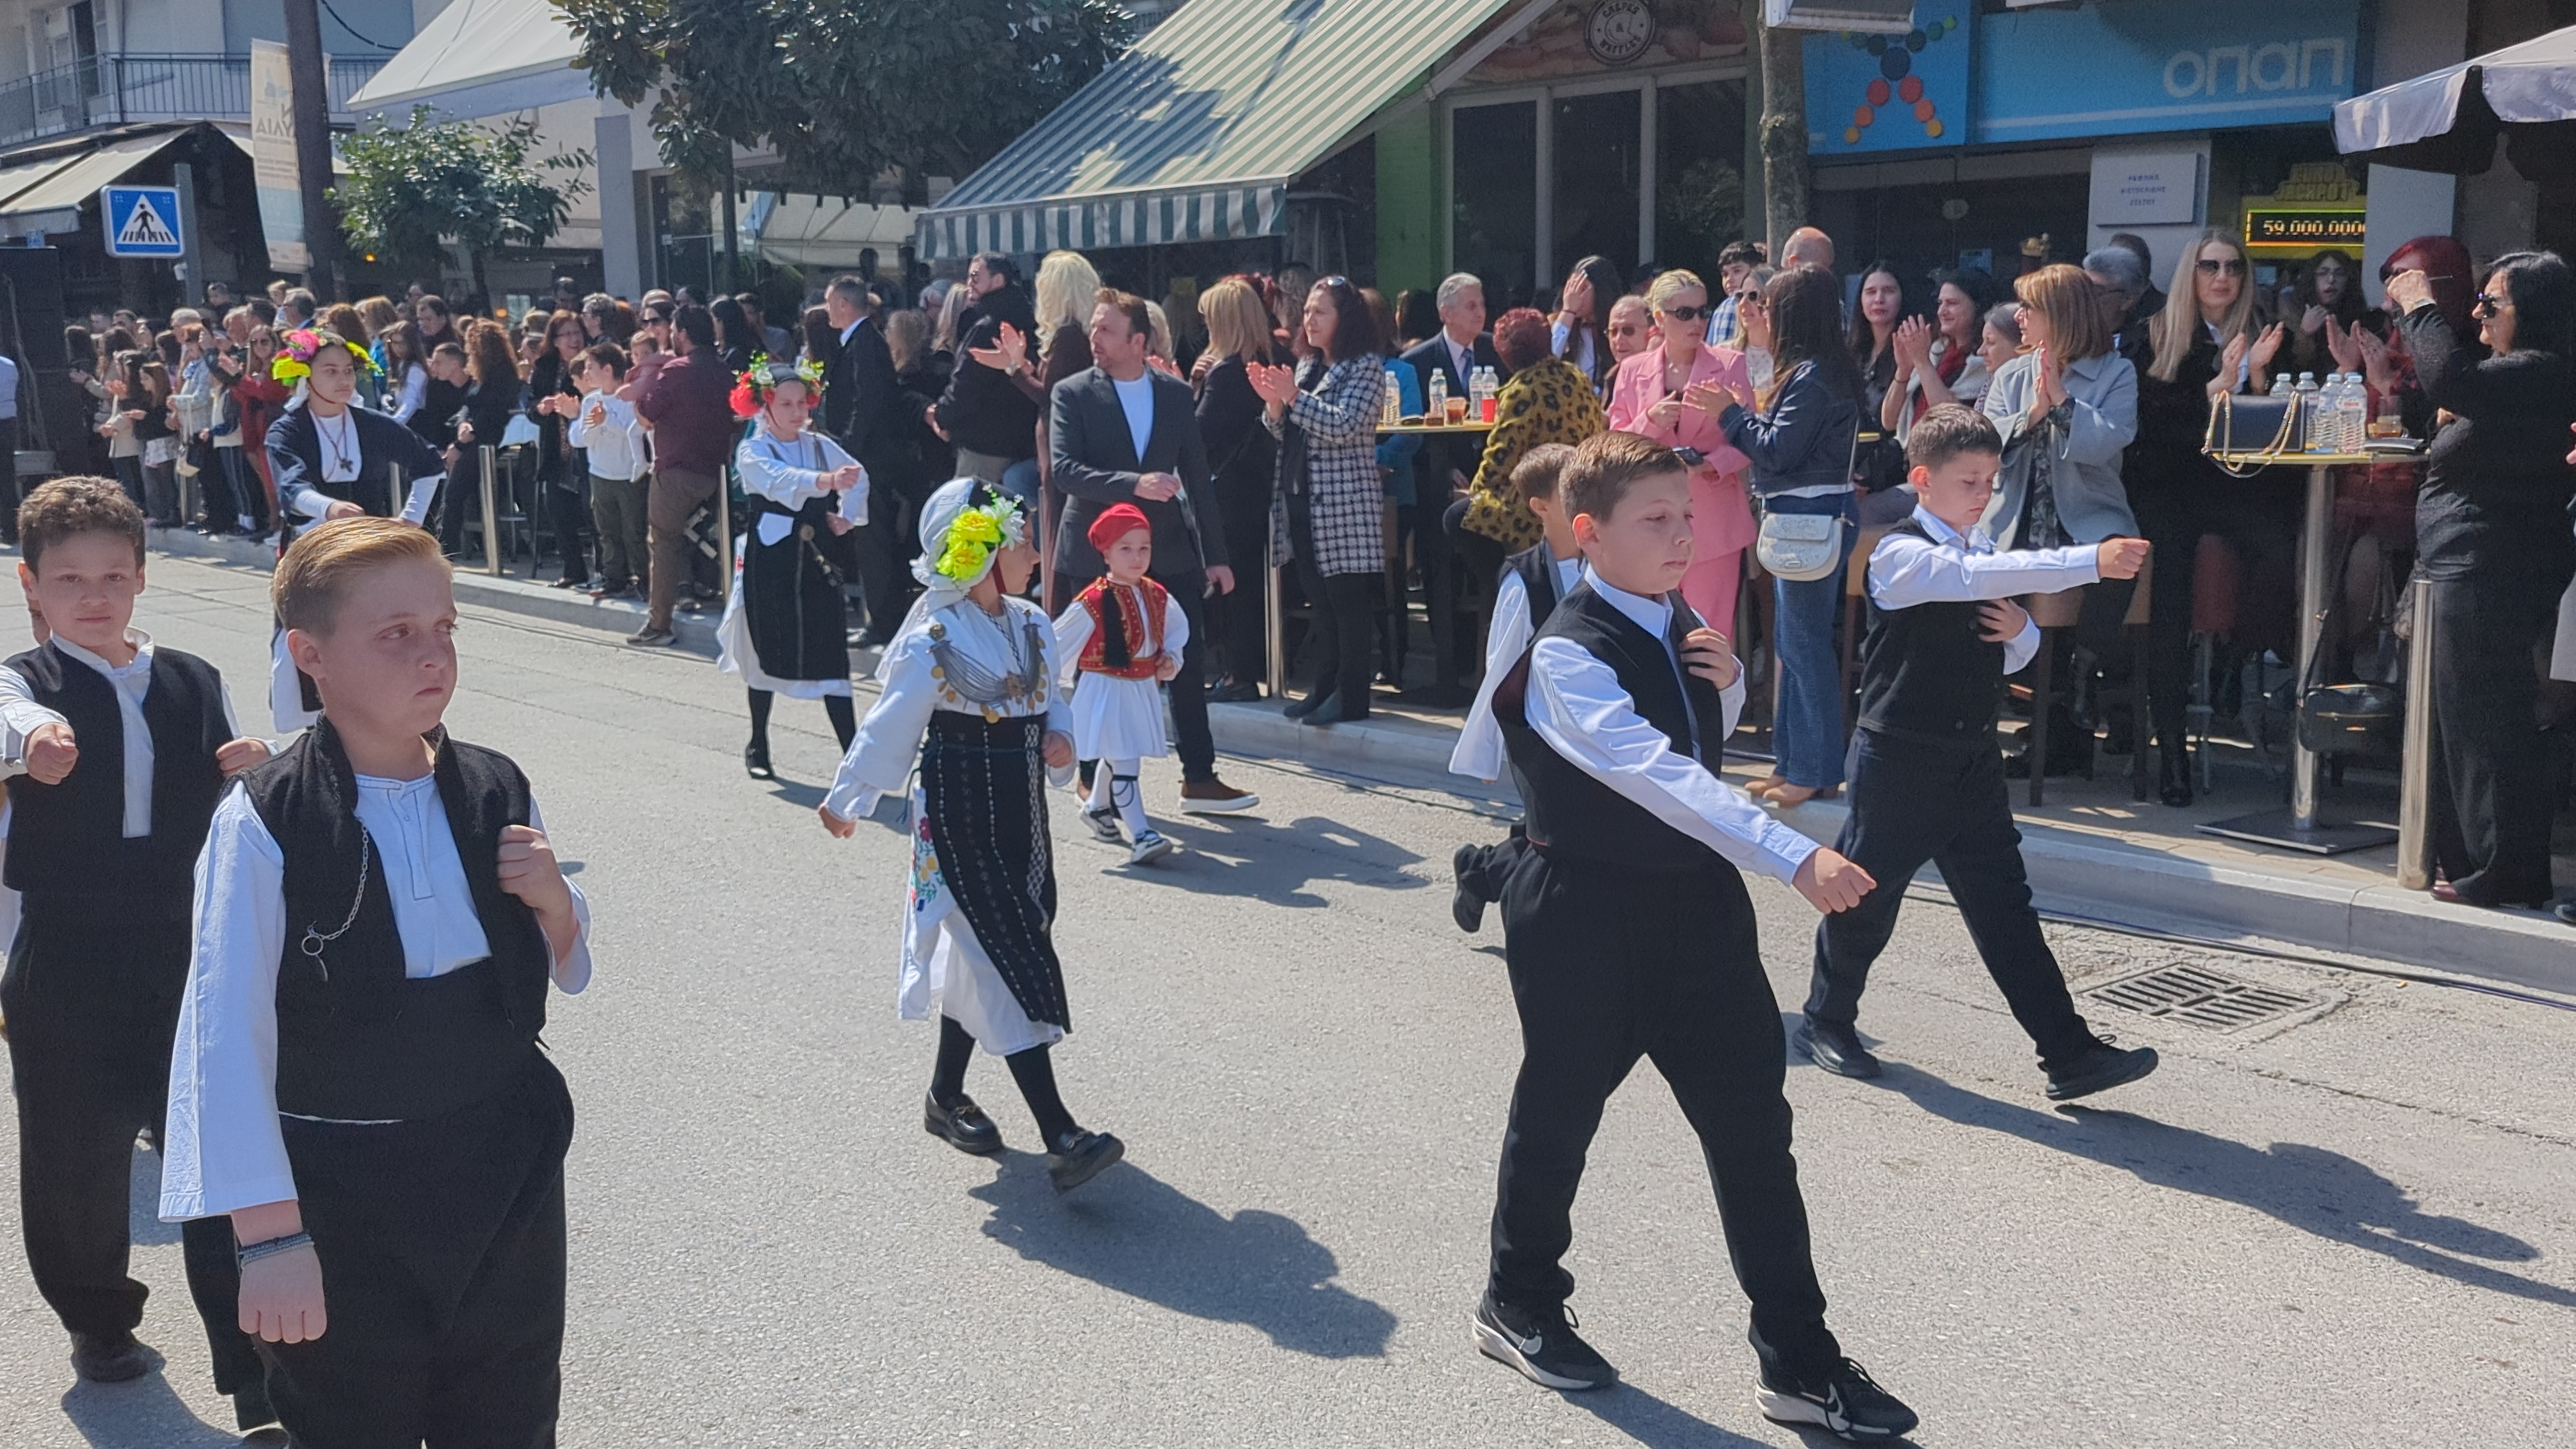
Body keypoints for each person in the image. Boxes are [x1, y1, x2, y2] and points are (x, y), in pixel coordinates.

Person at [1473, 430, 1917, 1441]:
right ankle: (1518, 1299)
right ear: (1588, 533)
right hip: (1585, 912)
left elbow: (1689, 744)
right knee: (1559, 1116)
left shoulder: (1683, 624)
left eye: (1688, 515)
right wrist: (1793, 854)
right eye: (1656, 519)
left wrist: (1726, 685)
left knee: (1755, 1132)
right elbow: (1655, 774)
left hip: (1697, 910)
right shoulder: (1567, 652)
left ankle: (1799, 1360)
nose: (1683, 535)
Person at [161, 516, 594, 1447]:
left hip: (501, 1167)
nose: (432, 654)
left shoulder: (496, 786)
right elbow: (224, 1036)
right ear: (310, 655)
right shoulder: (266, 818)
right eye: (396, 633)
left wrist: (556, 903)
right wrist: (271, 1239)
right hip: (341, 1192)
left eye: (443, 628)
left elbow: (556, 964)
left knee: (512, 1415)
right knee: (355, 1420)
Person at [1, 480, 269, 1424]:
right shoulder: (25, 684)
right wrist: (33, 741)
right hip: (66, 949)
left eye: (114, 576)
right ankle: (99, 1321)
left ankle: (253, 1365)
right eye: (70, 579)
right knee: (74, 1154)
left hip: (182, 944)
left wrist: (251, 768)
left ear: (144, 577)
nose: (95, 596)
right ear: (32, 585)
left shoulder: (191, 678)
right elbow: (9, 720)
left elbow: (234, 794)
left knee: (211, 1144)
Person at [1797, 405, 2161, 1099]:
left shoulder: (1983, 553)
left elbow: (2014, 655)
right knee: (1865, 901)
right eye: (1969, 481)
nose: (1984, 494)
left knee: (2006, 910)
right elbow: (1966, 580)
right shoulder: (1902, 554)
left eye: (1991, 481)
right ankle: (1826, 1020)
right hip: (1899, 759)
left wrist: (2021, 628)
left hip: (1971, 762)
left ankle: (2069, 1053)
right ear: (1922, 481)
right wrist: (2091, 561)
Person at [818, 482, 1127, 1193]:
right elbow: (891, 725)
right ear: (980, 553)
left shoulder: (1033, 623)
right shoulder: (935, 636)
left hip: (1021, 813)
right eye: (1022, 541)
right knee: (1000, 954)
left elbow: (1053, 700)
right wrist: (848, 799)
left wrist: (1059, 742)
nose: (1034, 554)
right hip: (956, 815)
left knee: (995, 946)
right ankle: (1061, 1134)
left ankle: (944, 1093)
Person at [2386, 252, 2576, 909]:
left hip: (2491, 559)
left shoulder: (2539, 369)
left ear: (2533, 311)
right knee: (2461, 719)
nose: (2478, 314)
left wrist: (2419, 305)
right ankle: (2474, 859)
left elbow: (2448, 377)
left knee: (2487, 720)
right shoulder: (2504, 377)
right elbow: (2450, 398)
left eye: (2492, 303)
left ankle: (2506, 869)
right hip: (2464, 558)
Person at [1048, 288, 1259, 813]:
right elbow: (1065, 471)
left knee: (1184, 660)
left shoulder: (1173, 393)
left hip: (1165, 546)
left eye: (1106, 330)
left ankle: (1200, 777)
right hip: (1096, 549)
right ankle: (1093, 778)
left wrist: (1216, 555)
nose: (1095, 338)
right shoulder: (1072, 393)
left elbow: (1197, 476)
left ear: (1139, 341)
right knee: (1100, 665)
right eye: (1095, 327)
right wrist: (1132, 484)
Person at [2129, 229, 2291, 805]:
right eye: (2210, 266)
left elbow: (2277, 433)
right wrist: (2214, 387)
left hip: (2234, 488)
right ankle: (2172, 752)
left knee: (2282, 551)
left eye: (2233, 267)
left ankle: (2233, 658)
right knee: (2170, 601)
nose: (2223, 277)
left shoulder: (2265, 334)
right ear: (2190, 274)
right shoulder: (2154, 333)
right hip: (2168, 487)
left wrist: (2257, 379)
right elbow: (2147, 427)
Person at [1978, 263, 2143, 774]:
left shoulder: (2116, 372)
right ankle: (2005, 730)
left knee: (2118, 565)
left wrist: (2064, 403)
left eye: (2030, 308)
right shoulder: (2011, 373)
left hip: (2087, 517)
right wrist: (2032, 413)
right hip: (2014, 519)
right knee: (1978, 590)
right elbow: (1982, 446)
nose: (2020, 318)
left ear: (2061, 313)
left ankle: (2085, 675)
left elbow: (2111, 440)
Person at [1713, 265, 1863, 806]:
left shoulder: (1814, 377)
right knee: (1793, 644)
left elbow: (1777, 450)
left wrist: (1730, 416)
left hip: (1811, 517)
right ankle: (1793, 764)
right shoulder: (1817, 371)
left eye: (1771, 306)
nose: (1764, 315)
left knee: (1804, 647)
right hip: (1804, 517)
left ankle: (1814, 769)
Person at [264, 327, 450, 732]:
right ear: (306, 375)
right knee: (313, 636)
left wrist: (411, 520)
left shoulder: (371, 424)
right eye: (330, 371)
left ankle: (393, 718)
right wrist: (330, 509)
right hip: (311, 553)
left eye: (348, 370)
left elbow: (430, 464)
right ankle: (318, 729)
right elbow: (291, 486)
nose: (343, 380)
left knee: (383, 630)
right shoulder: (287, 429)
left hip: (371, 555)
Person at [1446, 441, 1581, 931]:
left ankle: (1481, 871)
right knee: (1558, 835)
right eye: (1571, 493)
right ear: (1540, 506)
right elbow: (1501, 668)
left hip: (1591, 725)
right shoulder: (1524, 580)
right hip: (1540, 732)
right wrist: (1488, 747)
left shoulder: (1611, 561)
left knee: (1566, 832)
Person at [717, 358, 867, 779]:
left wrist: (848, 516)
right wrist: (826, 483)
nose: (797, 412)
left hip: (817, 557)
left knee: (830, 649)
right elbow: (778, 479)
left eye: (802, 403)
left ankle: (854, 759)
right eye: (786, 404)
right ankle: (758, 743)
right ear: (765, 405)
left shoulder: (818, 446)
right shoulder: (754, 449)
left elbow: (859, 475)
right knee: (768, 646)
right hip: (772, 560)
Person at [1251, 277, 1390, 726]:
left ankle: (1352, 697)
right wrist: (1274, 405)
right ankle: (1324, 687)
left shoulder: (1365, 367)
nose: (1310, 320)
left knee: (1347, 603)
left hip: (1344, 504)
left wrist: (1292, 397)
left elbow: (1345, 425)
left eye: (1321, 312)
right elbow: (1285, 432)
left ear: (1344, 318)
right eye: (1307, 312)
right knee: (1321, 604)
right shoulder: (1308, 366)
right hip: (1301, 497)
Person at [1608, 271, 1756, 636]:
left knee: (1709, 633)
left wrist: (1708, 464)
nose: (1698, 322)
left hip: (1713, 520)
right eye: (1685, 314)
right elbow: (1614, 444)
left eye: (1703, 312)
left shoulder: (1730, 364)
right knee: (1649, 631)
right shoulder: (1632, 370)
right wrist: (1650, 420)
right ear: (1659, 318)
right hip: (1647, 520)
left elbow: (1748, 440)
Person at [1053, 502, 1188, 864]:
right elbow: (1058, 643)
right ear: (1106, 553)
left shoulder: (1156, 594)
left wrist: (1171, 660)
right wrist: (1052, 685)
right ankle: (1141, 833)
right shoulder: (1093, 601)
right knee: (1126, 759)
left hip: (1140, 687)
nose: (1137, 557)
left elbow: (1176, 632)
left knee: (1121, 752)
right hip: (1106, 690)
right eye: (1126, 548)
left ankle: (1097, 806)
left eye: (1144, 548)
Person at [1459, 308, 1607, 588]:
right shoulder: (1576, 376)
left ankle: (1507, 586)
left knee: (1457, 517)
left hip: (1537, 497)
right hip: (1583, 490)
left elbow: (1500, 456)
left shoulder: (1523, 390)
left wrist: (1473, 491)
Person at [1193, 277, 1282, 700]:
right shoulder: (1272, 362)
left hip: (1228, 492)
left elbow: (1199, 434)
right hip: (1261, 486)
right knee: (1251, 584)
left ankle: (1237, 674)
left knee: (1231, 586)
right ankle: (1247, 670)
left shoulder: (1227, 373)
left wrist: (1187, 390)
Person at [631, 304, 735, 648]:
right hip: (716, 472)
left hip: (676, 471)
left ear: (684, 334)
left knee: (664, 543)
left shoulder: (676, 370)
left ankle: (659, 624)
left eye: (675, 331)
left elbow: (647, 414)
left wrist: (640, 384)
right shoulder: (724, 371)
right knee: (708, 541)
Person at [821, 273, 910, 644]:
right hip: (866, 456)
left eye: (830, 304)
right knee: (867, 538)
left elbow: (868, 400)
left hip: (869, 459)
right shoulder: (859, 340)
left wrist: (847, 447)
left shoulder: (865, 343)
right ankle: (881, 618)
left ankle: (883, 623)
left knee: (873, 540)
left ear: (844, 305)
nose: (827, 311)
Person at [931, 253, 1042, 504]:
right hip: (1020, 445)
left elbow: (966, 385)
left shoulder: (989, 326)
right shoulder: (1027, 320)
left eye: (975, 277)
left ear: (997, 281)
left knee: (973, 520)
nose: (969, 283)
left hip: (984, 448)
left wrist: (941, 415)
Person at [568, 342, 649, 602]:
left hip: (628, 475)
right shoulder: (591, 400)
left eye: (590, 367)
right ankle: (614, 580)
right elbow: (581, 439)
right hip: (600, 474)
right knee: (608, 532)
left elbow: (633, 433)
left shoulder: (629, 399)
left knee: (635, 532)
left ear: (608, 369)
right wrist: (593, 425)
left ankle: (644, 580)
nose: (586, 373)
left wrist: (608, 422)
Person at [1882, 268, 2002, 441]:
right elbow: (1889, 422)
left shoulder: (1986, 361)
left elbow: (1950, 418)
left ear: (1978, 306)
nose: (1942, 311)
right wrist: (1904, 370)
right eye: (1940, 303)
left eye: (1952, 303)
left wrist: (1923, 363)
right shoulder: (1936, 353)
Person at [527, 311, 592, 589]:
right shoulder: (545, 367)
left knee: (592, 512)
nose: (574, 339)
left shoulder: (591, 362)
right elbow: (530, 405)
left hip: (586, 447)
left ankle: (607, 572)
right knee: (558, 511)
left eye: (577, 332)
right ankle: (573, 570)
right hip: (556, 448)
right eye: (567, 334)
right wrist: (540, 409)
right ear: (554, 340)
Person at [1549, 255, 1623, 395]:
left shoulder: (1620, 326)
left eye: (1583, 288)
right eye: (1571, 288)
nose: (1574, 295)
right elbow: (1548, 359)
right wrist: (1568, 311)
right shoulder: (1562, 323)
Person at [1704, 239, 1768, 350]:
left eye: (1737, 271)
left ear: (1755, 270)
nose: (1729, 279)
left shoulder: (1730, 305)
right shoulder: (1728, 305)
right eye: (1725, 274)